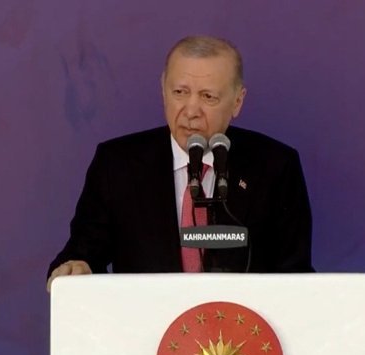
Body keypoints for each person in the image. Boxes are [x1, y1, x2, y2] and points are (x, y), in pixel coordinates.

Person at [47, 36, 313, 291]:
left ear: (237, 101)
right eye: (179, 92)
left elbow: (296, 278)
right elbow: (82, 254)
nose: (191, 110)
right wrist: (78, 267)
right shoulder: (116, 165)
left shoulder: (275, 167)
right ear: (163, 91)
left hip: (239, 322)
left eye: (208, 97)